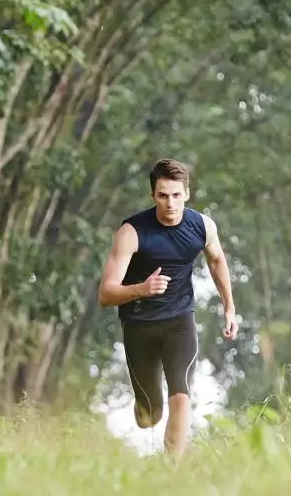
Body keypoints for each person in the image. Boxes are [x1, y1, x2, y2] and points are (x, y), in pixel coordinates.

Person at [98, 158, 238, 457]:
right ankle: (146, 409)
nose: (170, 203)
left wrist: (229, 308)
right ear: (153, 196)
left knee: (181, 396)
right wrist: (141, 289)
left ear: (187, 193)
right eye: (163, 195)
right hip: (139, 324)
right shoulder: (132, 232)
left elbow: (216, 260)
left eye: (176, 195)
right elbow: (106, 294)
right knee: (151, 415)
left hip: (179, 321)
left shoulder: (202, 226)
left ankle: (172, 472)